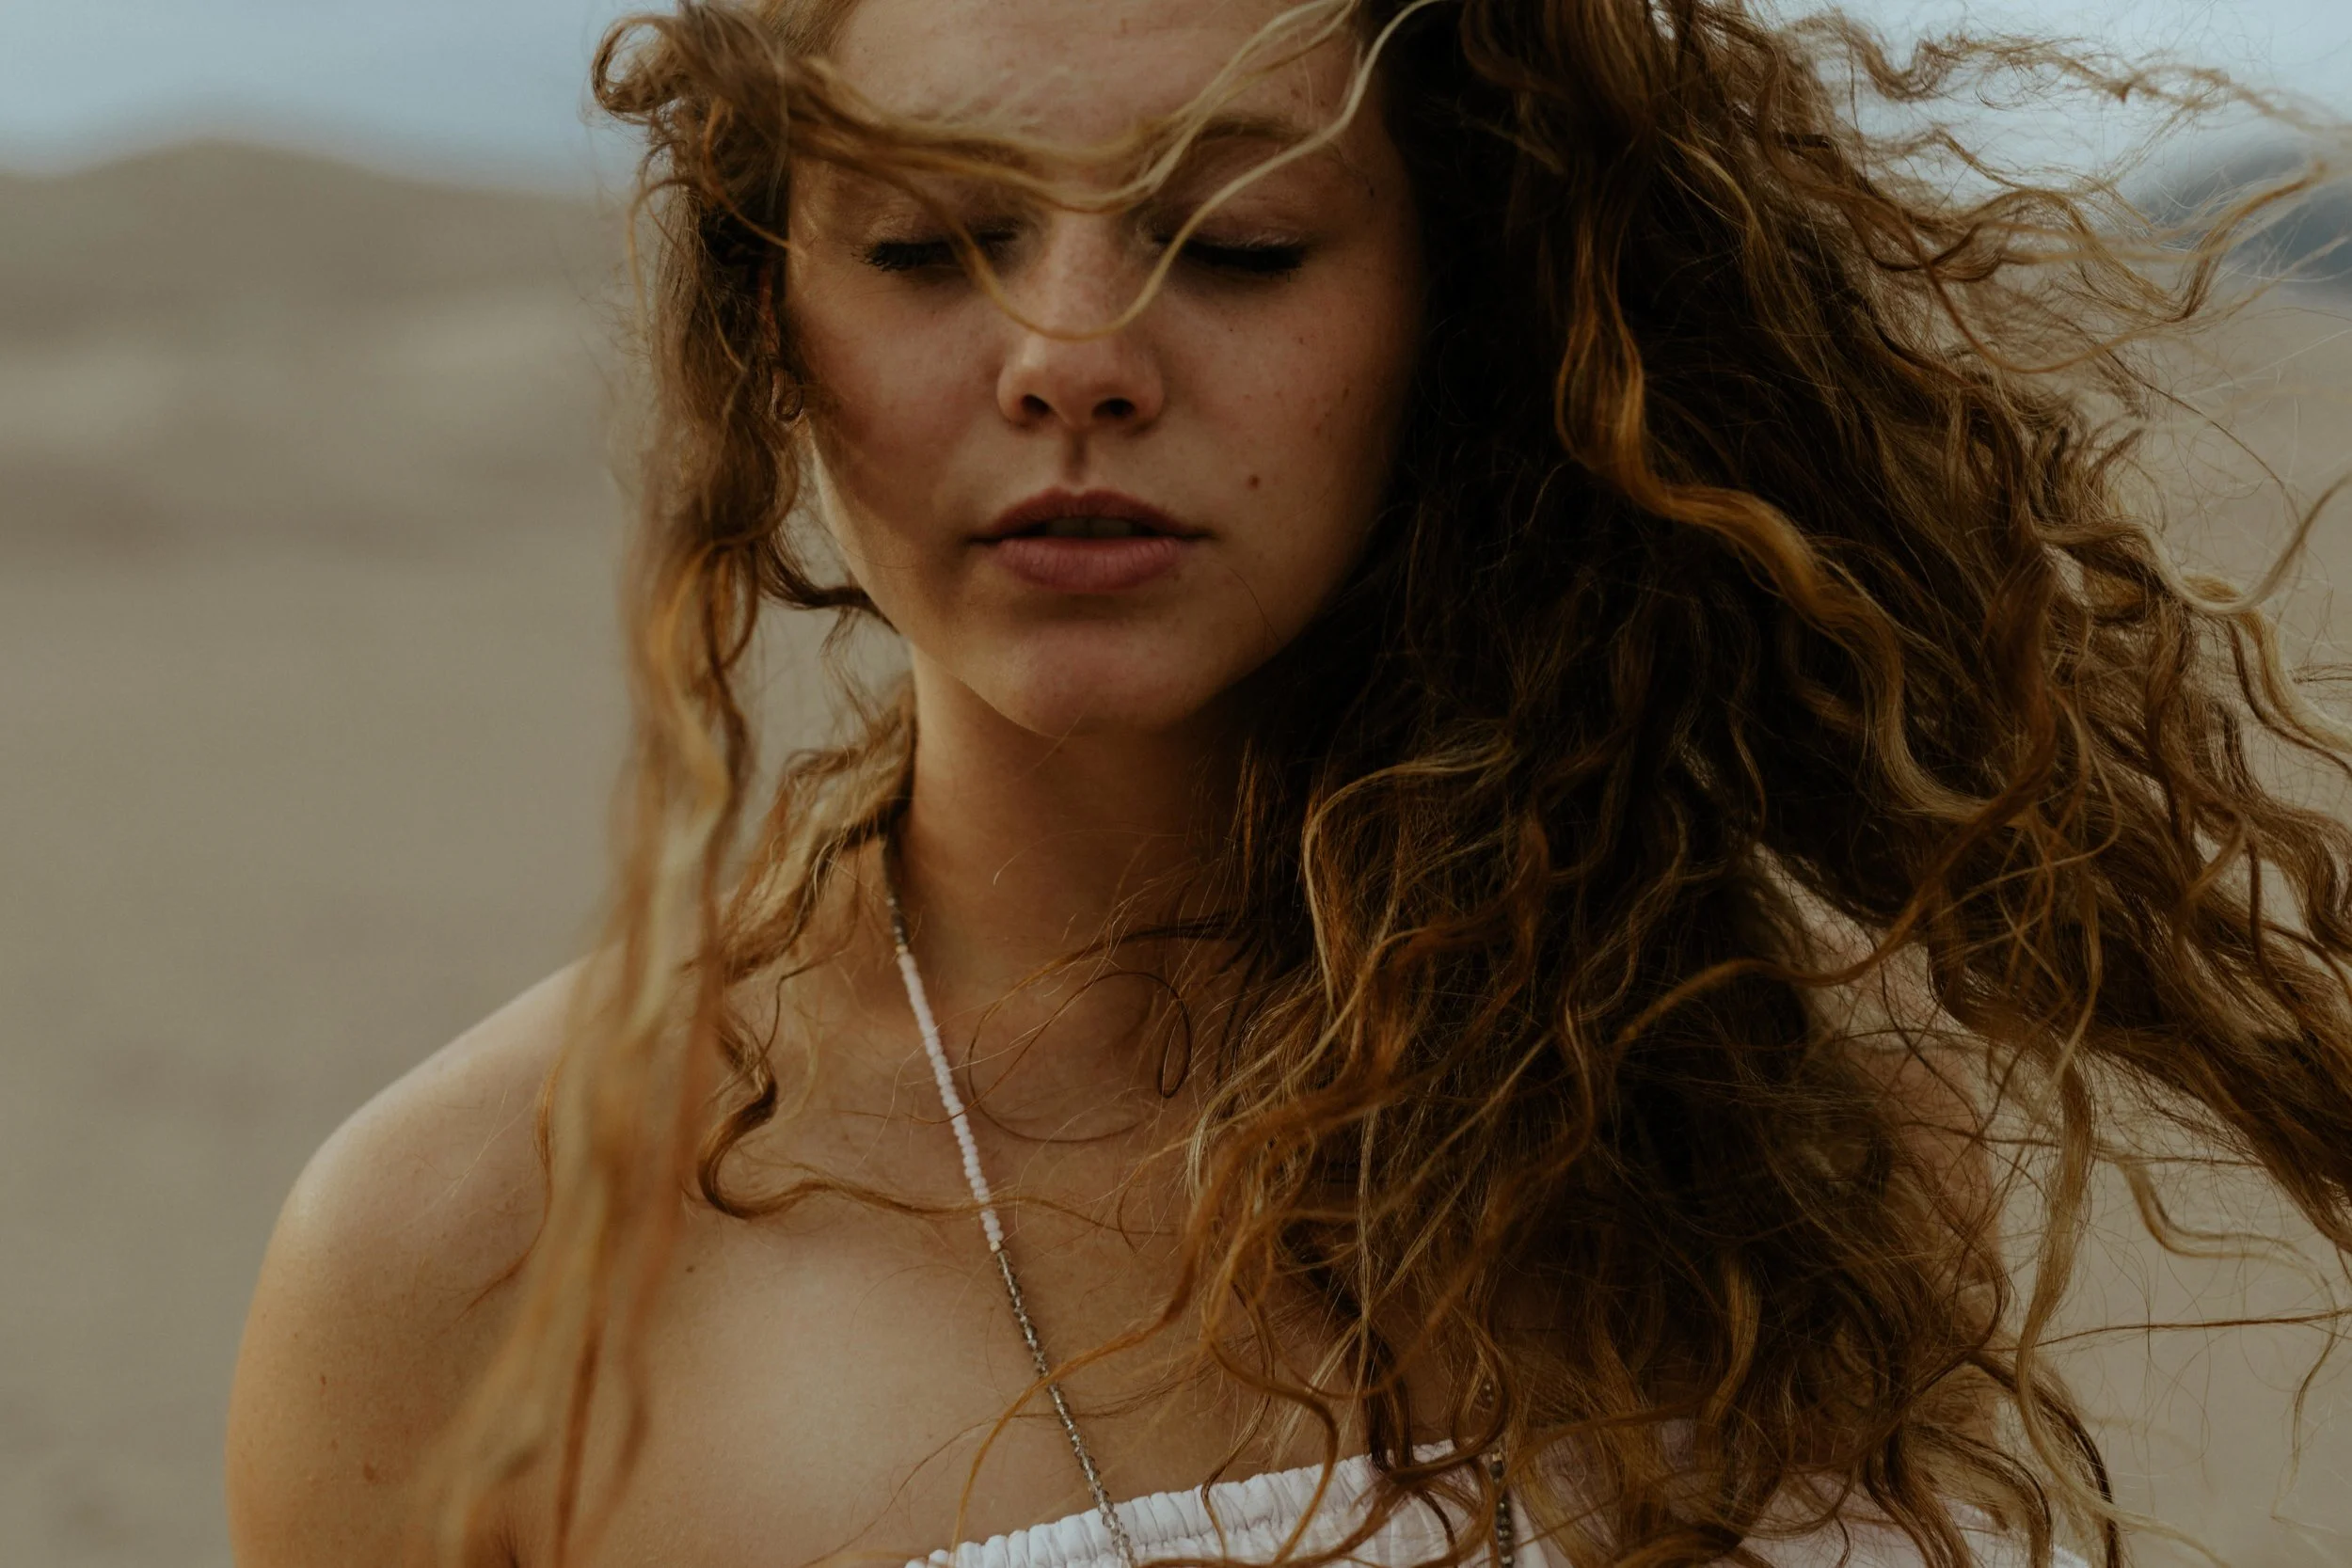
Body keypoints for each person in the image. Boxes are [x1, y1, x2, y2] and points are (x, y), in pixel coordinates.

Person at [222, 1, 2352, 1565]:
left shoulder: (1780, 1120)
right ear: (768, 325)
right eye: (922, 243)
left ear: (1461, 307)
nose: (1070, 351)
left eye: (1236, 243)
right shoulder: (475, 1256)